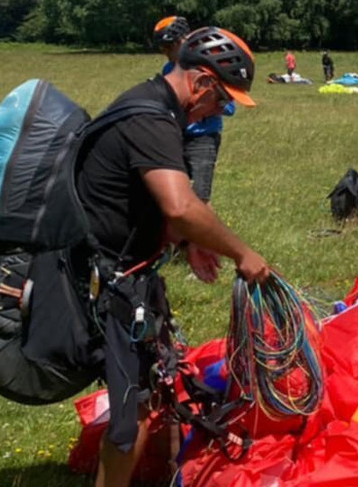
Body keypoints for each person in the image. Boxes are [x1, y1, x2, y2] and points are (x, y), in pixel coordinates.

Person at [81, 26, 270, 487]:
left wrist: (189, 242)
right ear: (202, 82)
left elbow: (151, 204)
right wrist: (245, 255)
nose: (220, 110)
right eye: (222, 100)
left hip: (130, 277)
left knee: (157, 389)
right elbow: (181, 206)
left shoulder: (157, 108)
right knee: (134, 413)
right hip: (111, 283)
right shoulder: (151, 119)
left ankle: (167, 474)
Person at [153, 16, 235, 204]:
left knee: (199, 196)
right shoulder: (168, 69)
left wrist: (206, 105)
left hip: (203, 139)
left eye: (169, 46)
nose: (166, 53)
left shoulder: (207, 67)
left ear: (183, 41)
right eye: (162, 48)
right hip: (175, 136)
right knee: (172, 193)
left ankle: (201, 232)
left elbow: (230, 107)